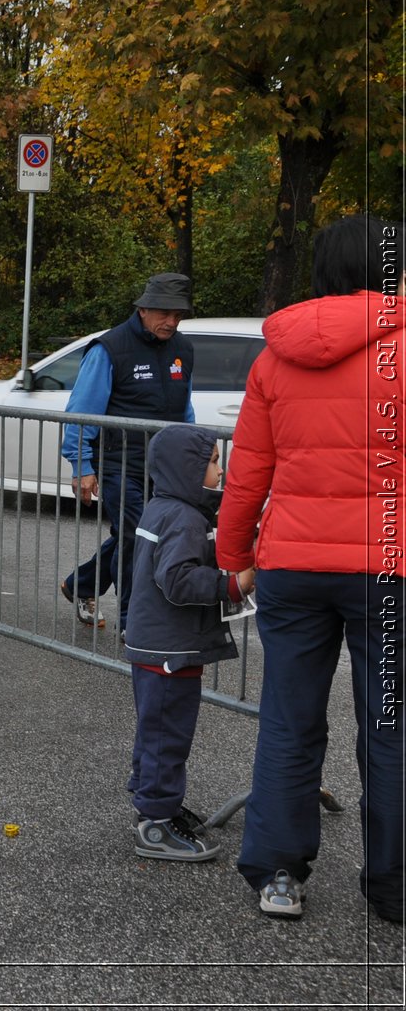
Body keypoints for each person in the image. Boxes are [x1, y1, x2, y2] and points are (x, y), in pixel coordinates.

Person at [218, 213, 404, 923]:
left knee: (289, 721)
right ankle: (393, 884)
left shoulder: (276, 356)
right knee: (390, 724)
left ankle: (277, 873)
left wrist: (234, 556)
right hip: (388, 565)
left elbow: (248, 474)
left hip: (292, 564)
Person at [123, 424, 250, 863]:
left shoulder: (163, 507)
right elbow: (176, 580)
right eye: (213, 461)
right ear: (186, 468)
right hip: (169, 650)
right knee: (166, 736)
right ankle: (154, 824)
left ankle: (155, 803)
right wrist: (232, 584)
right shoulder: (185, 517)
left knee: (155, 731)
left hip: (157, 645)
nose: (221, 469)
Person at [59, 274, 196, 635]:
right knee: (138, 536)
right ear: (143, 307)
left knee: (134, 535)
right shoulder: (109, 348)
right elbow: (81, 411)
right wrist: (81, 465)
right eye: (165, 313)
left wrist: (192, 458)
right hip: (118, 463)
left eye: (178, 315)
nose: (172, 322)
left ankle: (81, 585)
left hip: (161, 466)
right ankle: (132, 622)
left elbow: (185, 411)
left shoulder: (183, 349)